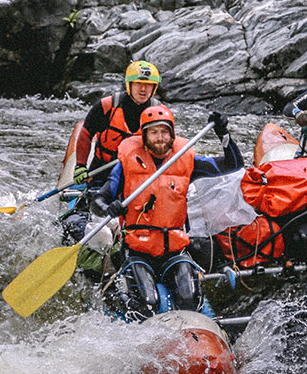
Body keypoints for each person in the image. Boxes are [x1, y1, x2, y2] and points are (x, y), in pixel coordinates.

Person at [92, 105, 243, 316]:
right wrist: (110, 208)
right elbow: (98, 200)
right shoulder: (126, 164)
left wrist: (223, 133)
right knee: (147, 304)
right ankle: (115, 295)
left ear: (172, 135)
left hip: (174, 250)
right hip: (138, 251)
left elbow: (233, 164)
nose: (160, 138)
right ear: (144, 136)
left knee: (190, 301)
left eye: (164, 132)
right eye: (153, 132)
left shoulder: (185, 160)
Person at [61, 60, 163, 242]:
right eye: (139, 84)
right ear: (129, 85)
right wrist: (81, 166)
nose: (143, 90)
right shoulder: (107, 106)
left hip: (137, 175)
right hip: (102, 170)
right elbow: (85, 134)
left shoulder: (159, 113)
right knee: (95, 206)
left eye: (149, 85)